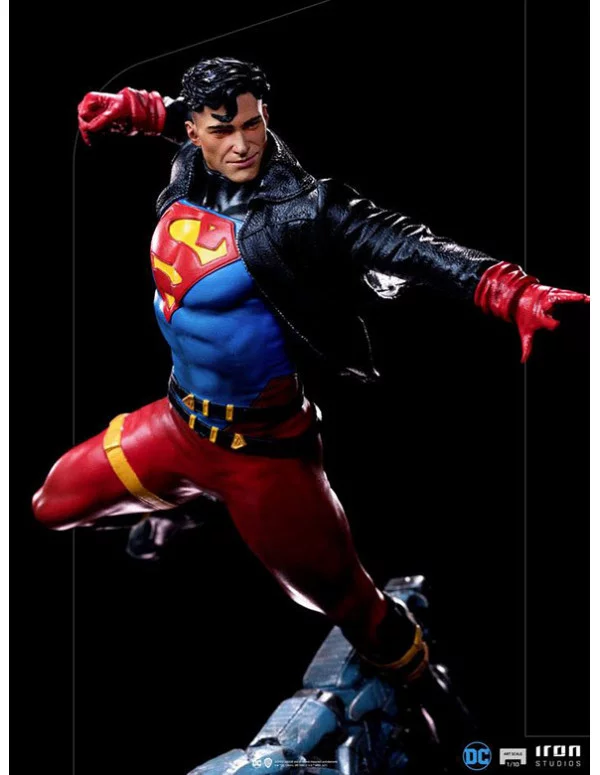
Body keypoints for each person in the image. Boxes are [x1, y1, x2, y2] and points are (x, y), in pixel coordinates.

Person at [32, 57, 589, 695]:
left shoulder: (305, 210)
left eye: (253, 124)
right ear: (195, 132)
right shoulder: (188, 167)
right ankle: (187, 505)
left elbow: (406, 243)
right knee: (53, 506)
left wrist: (508, 290)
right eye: (222, 130)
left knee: (349, 605)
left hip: (264, 456)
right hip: (178, 424)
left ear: (266, 118)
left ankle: (428, 694)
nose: (242, 144)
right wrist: (140, 111)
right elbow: (178, 121)